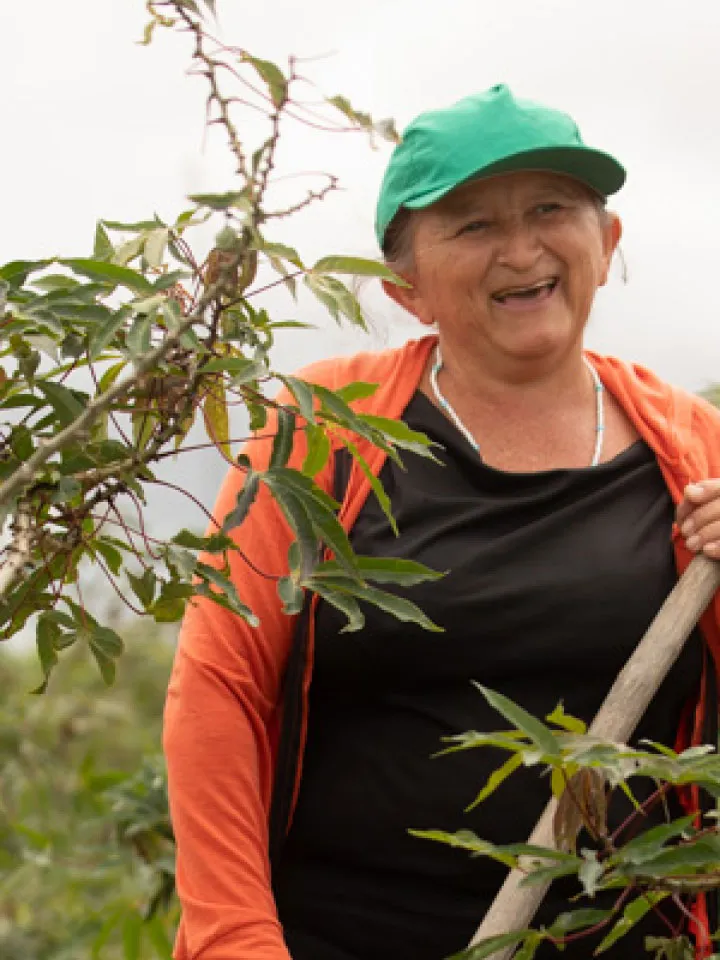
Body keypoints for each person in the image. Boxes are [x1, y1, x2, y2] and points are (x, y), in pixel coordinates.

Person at [163, 84, 720, 960]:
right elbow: (219, 689)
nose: (523, 248)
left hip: (624, 934)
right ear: (405, 285)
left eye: (551, 209)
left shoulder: (693, 451)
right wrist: (235, 939)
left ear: (606, 244)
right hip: (343, 935)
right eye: (472, 225)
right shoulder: (322, 433)